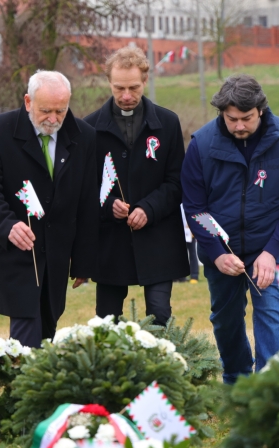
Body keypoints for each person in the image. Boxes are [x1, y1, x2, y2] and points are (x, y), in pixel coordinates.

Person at [181, 74, 279, 384]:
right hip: (221, 249)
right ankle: (238, 382)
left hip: (270, 245)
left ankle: (271, 388)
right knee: (226, 321)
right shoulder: (202, 144)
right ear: (221, 114)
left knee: (271, 313)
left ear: (261, 111)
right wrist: (215, 254)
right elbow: (195, 206)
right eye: (232, 119)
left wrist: (271, 252)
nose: (239, 125)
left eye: (247, 118)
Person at [0, 70, 98, 348]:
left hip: (56, 250)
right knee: (26, 324)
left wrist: (82, 260)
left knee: (47, 322)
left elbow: (87, 201)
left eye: (60, 111)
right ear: (28, 101)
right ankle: (24, 385)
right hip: (15, 248)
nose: (53, 119)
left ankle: (36, 382)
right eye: (45, 111)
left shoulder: (85, 137)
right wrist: (8, 225)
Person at [84, 47, 188, 326]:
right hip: (109, 242)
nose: (126, 96)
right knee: (107, 319)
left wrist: (148, 208)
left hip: (158, 238)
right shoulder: (89, 128)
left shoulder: (167, 123)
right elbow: (83, 187)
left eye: (133, 87)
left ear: (145, 81)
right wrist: (107, 205)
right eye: (119, 88)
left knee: (159, 314)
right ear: (109, 83)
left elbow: (177, 182)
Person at [179, 205, 199, 284]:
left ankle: (194, 276)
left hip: (190, 231)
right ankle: (180, 277)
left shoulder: (189, 202)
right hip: (180, 231)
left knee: (192, 253)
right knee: (180, 254)